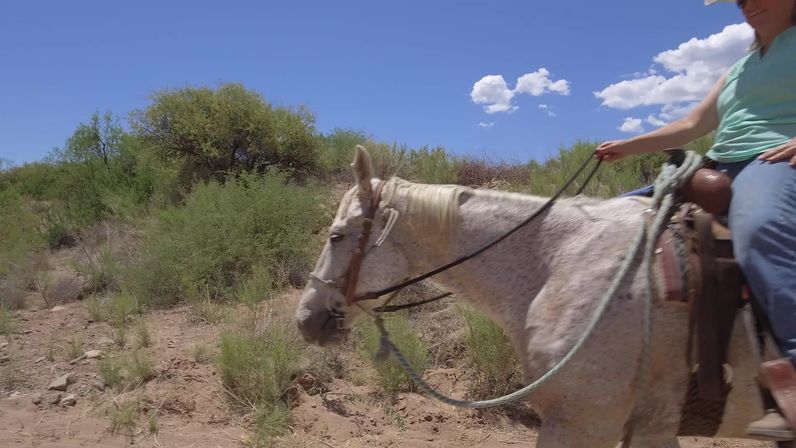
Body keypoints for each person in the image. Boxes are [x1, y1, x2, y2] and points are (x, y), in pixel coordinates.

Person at [595, 0, 796, 441]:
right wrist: (629, 145)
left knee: (760, 228)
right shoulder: (741, 65)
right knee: (607, 222)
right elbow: (692, 123)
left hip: (774, 160)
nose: (748, 4)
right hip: (715, 166)